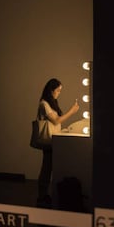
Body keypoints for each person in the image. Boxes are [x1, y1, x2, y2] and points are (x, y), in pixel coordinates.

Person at [36, 78, 79, 207]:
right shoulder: (44, 104)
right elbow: (56, 121)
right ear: (51, 90)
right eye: (58, 90)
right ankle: (42, 196)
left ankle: (44, 195)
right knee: (47, 168)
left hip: (54, 140)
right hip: (49, 140)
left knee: (49, 167)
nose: (59, 93)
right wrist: (72, 111)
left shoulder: (52, 103)